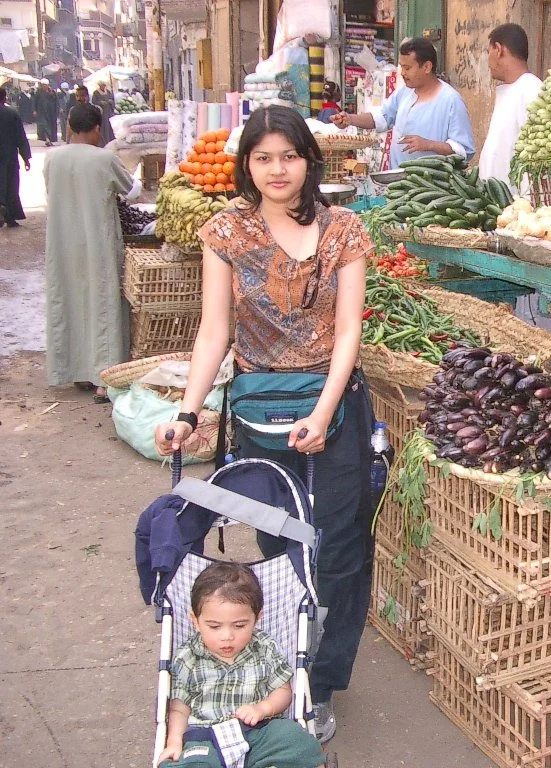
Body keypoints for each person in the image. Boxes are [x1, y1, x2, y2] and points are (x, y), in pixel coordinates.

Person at [154, 105, 376, 744]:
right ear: (247, 165)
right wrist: (188, 410)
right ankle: (284, 666)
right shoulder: (225, 231)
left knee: (336, 549)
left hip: (332, 408)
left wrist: (325, 413)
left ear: (309, 160)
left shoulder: (345, 232)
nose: (277, 170)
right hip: (258, 414)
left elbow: (348, 332)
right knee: (281, 548)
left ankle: (322, 680)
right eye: (263, 158)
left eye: (289, 156)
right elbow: (214, 330)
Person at [156, 562, 325, 768]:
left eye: (239, 626)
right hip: (206, 737)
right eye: (214, 626)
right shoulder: (188, 656)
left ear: (257, 618)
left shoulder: (264, 647)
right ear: (195, 621)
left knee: (295, 738)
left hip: (258, 730)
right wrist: (174, 741)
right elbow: (180, 708)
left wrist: (263, 708)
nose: (227, 636)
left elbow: (283, 690)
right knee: (189, 761)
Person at [43, 103, 135, 399]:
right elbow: (129, 189)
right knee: (103, 304)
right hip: (98, 240)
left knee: (69, 300)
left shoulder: (51, 158)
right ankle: (103, 379)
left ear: (69, 127)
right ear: (97, 129)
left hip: (62, 241)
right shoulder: (104, 158)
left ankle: (71, 369)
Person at [333, 37, 475, 169]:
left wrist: (429, 144)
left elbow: (464, 150)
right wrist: (350, 119)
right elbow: (381, 117)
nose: (402, 73)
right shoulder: (404, 93)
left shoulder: (451, 100)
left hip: (432, 188)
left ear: (426, 67)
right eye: (401, 67)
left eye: (407, 68)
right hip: (398, 182)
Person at [478, 23, 543, 191]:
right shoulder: (510, 90)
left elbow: (535, 156)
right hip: (499, 201)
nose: (488, 60)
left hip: (519, 204)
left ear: (498, 49)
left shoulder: (531, 90)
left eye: (488, 51)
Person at [0, 88, 31, 229]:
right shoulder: (12, 113)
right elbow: (21, 137)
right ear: (5, 98)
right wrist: (26, 157)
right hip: (9, 155)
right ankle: (10, 217)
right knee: (11, 185)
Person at [33, 79, 59, 146]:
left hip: (51, 113)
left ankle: (50, 139)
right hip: (42, 112)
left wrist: (57, 110)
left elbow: (56, 102)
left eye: (46, 85)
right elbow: (34, 102)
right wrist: (34, 110)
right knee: (44, 126)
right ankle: (47, 139)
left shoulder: (52, 92)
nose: (45, 86)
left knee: (51, 126)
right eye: (43, 85)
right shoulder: (38, 92)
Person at [91, 80, 116, 145]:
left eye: (104, 85)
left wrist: (111, 101)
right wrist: (100, 103)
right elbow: (94, 102)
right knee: (102, 126)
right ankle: (103, 141)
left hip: (108, 112)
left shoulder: (108, 92)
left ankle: (110, 139)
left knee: (109, 126)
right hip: (101, 113)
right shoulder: (96, 93)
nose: (104, 86)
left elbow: (112, 99)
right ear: (100, 86)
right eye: (102, 85)